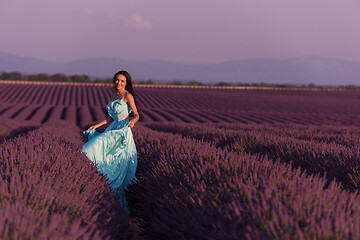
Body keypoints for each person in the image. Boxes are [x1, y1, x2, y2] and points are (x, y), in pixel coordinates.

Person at [81, 70, 139, 210]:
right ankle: (102, 191)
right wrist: (98, 125)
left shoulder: (127, 96)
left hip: (122, 131)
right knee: (107, 157)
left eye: (122, 81)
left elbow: (136, 114)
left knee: (116, 160)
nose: (119, 83)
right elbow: (111, 118)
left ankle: (117, 199)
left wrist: (133, 122)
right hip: (113, 127)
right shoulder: (114, 95)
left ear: (126, 83)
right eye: (117, 80)